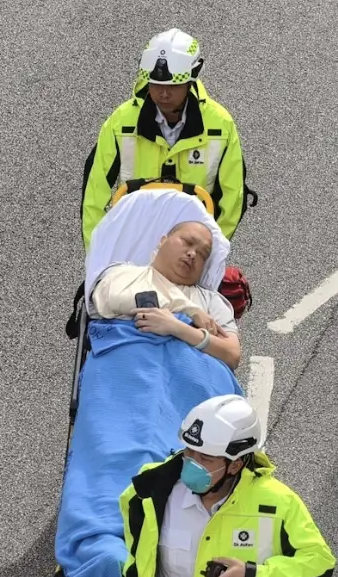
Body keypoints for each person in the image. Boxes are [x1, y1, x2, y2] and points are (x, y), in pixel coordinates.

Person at [118, 395, 337, 577]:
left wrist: (253, 576)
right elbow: (137, 561)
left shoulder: (279, 504)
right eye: (190, 452)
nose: (192, 463)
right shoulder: (148, 493)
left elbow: (320, 562)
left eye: (205, 458)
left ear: (235, 465)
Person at [81, 28, 254, 253]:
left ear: (192, 77)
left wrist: (208, 253)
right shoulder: (120, 122)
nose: (163, 93)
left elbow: (233, 199)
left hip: (192, 250)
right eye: (155, 84)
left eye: (172, 86)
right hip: (133, 245)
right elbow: (94, 194)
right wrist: (99, 256)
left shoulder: (220, 125)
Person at [89, 220, 241, 370]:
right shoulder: (124, 273)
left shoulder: (211, 300)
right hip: (124, 368)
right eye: (187, 242)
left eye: (202, 254)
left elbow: (232, 354)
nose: (193, 253)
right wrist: (190, 311)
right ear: (162, 241)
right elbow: (116, 299)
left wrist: (178, 328)